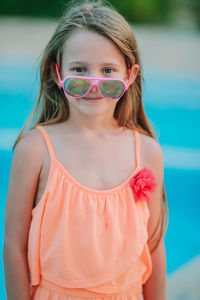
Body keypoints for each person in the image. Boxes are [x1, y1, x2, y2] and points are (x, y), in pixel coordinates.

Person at [3, 1, 168, 299]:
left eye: (108, 70)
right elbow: (14, 246)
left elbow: (153, 245)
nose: (94, 84)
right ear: (57, 72)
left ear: (129, 75)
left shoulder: (147, 152)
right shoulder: (34, 151)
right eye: (80, 69)